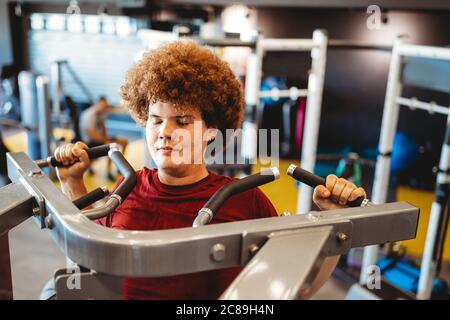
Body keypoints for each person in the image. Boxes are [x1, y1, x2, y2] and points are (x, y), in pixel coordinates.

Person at [54, 41, 366, 299]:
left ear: (211, 131)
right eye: (156, 119)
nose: (164, 132)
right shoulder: (127, 189)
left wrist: (334, 221)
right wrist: (72, 181)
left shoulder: (244, 201)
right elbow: (87, 255)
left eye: (182, 121)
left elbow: (300, 286)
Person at [79, 96, 128, 181]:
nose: (104, 109)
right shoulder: (89, 115)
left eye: (105, 107)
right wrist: (106, 140)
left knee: (124, 141)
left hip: (100, 138)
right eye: (103, 106)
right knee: (110, 146)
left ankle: (119, 167)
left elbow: (104, 129)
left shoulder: (101, 113)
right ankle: (108, 173)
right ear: (98, 104)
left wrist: (106, 137)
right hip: (89, 141)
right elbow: (92, 135)